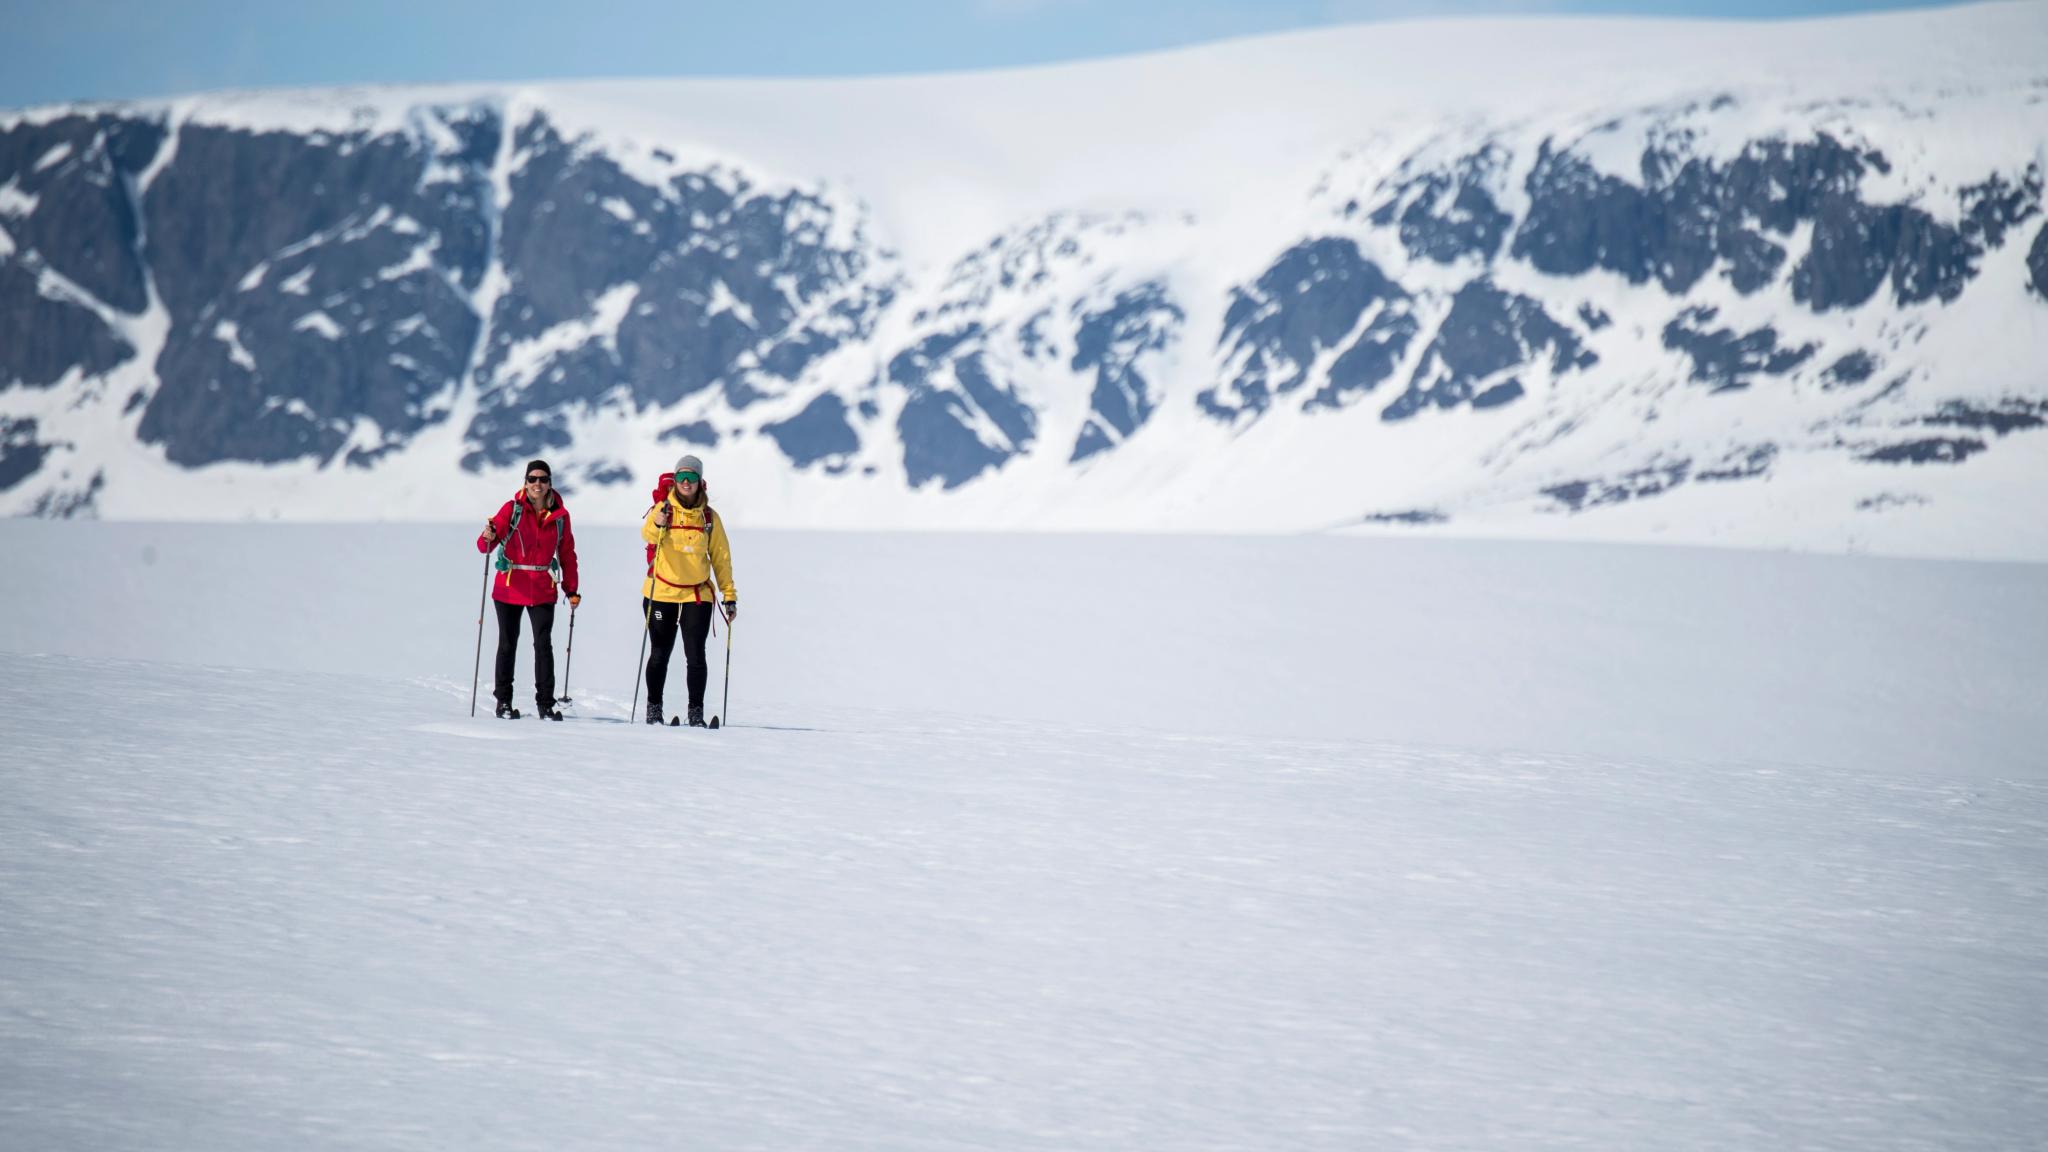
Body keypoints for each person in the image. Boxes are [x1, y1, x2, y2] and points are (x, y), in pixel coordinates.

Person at [477, 460, 580, 720]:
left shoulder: (560, 517)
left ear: (550, 484)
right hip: (510, 587)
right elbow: (484, 545)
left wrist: (571, 589)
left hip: (543, 588)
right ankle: (503, 703)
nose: (537, 484)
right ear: (525, 482)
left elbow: (567, 553)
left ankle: (545, 704)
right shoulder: (512, 510)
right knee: (507, 644)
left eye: (543, 479)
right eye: (533, 479)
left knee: (543, 645)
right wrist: (487, 536)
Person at [640, 453, 737, 726]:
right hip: (661, 593)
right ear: (674, 480)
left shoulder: (709, 517)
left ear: (700, 482)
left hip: (697, 595)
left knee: (695, 655)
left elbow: (721, 557)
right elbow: (646, 534)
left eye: (691, 477)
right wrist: (657, 522)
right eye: (681, 476)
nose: (686, 482)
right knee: (660, 652)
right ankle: (653, 711)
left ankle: (696, 714)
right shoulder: (663, 509)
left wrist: (729, 595)